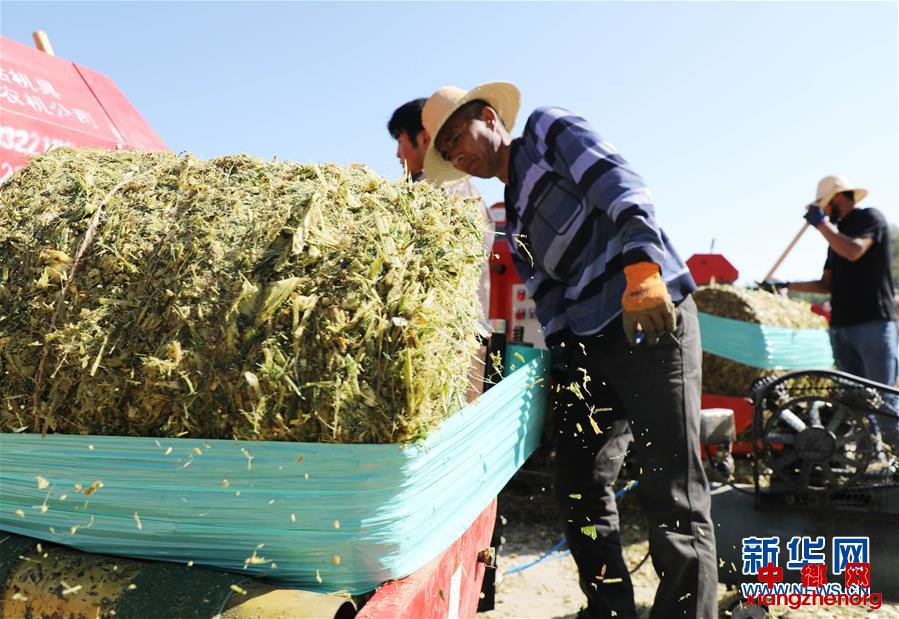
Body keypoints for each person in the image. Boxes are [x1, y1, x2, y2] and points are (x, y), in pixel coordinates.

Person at [422, 82, 717, 618]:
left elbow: (617, 182)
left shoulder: (544, 130)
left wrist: (643, 266)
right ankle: (609, 611)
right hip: (591, 347)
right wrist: (562, 363)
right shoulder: (511, 216)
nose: (455, 154)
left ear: (489, 117)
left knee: (670, 488)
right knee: (579, 485)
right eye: (445, 152)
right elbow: (548, 298)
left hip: (646, 318)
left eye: (456, 137)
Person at [785, 175, 898, 440]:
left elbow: (854, 251)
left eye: (824, 207)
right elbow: (826, 284)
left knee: (883, 402)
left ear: (836, 199)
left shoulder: (870, 218)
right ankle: (872, 461)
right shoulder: (836, 237)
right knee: (854, 404)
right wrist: (786, 284)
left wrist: (821, 224)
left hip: (873, 325)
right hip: (841, 328)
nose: (823, 213)